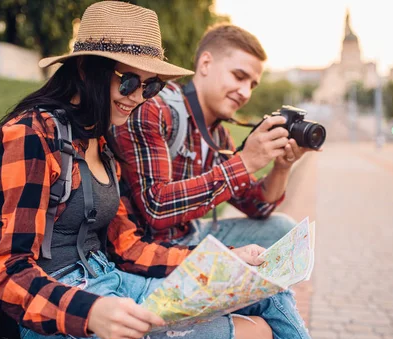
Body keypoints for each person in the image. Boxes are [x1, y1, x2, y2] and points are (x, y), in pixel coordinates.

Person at [0, 2, 347, 339]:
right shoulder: (31, 134)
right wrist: (90, 311)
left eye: (150, 85)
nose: (140, 97)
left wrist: (225, 263)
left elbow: (129, 248)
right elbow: (8, 271)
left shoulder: (98, 140)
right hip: (62, 330)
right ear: (86, 69)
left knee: (269, 290)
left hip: (113, 283)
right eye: (128, 82)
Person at [110, 23, 314, 257]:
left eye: (252, 85)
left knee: (283, 230)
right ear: (206, 64)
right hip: (149, 250)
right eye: (239, 76)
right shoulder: (154, 108)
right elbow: (156, 208)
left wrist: (282, 166)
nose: (245, 93)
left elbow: (257, 206)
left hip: (191, 235)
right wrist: (245, 162)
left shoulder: (218, 135)